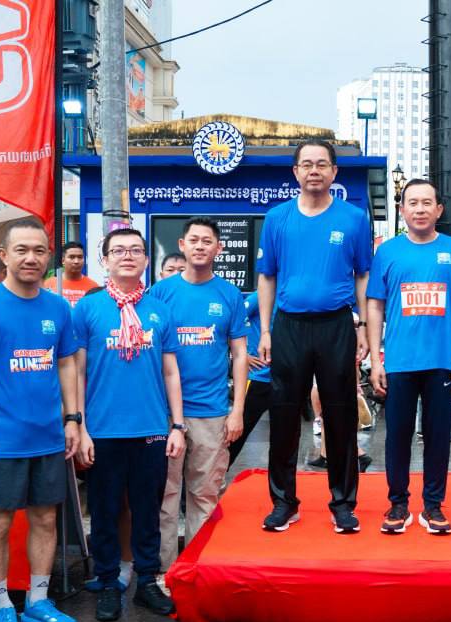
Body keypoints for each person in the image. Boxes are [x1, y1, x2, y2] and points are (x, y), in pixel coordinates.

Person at [0, 218, 82, 622]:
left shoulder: (58, 308)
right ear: (4, 256)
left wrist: (73, 419)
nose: (31, 258)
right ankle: (3, 608)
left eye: (39, 250)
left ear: (49, 257)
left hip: (47, 436)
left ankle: (38, 602)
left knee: (46, 518)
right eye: (22, 250)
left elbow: (65, 364)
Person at [256, 140, 372, 533]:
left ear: (334, 172)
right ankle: (283, 502)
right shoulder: (277, 218)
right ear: (296, 172)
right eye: (306, 164)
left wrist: (363, 327)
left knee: (341, 414)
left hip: (336, 325)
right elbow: (267, 276)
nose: (314, 171)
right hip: (289, 325)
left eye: (322, 164)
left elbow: (363, 275)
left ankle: (343, 503)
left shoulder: (353, 218)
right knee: (284, 414)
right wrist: (266, 330)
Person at [73, 227, 182, 621]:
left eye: (136, 250)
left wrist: (178, 426)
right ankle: (107, 582)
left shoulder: (159, 310)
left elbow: (171, 371)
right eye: (118, 250)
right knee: (103, 511)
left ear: (146, 260)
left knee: (147, 511)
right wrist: (79, 426)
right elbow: (76, 372)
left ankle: (147, 581)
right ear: (104, 260)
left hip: (151, 429)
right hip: (102, 431)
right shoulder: (88, 309)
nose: (128, 256)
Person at [366, 179, 451, 536]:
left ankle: (433, 505)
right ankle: (398, 503)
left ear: (439, 209)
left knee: (438, 436)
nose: (419, 209)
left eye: (426, 202)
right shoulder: (387, 252)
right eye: (412, 202)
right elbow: (375, 305)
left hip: (444, 361)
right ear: (402, 210)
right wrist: (376, 361)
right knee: (397, 436)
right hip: (399, 362)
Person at [148, 217, 247, 568]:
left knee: (204, 496)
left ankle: (196, 570)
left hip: (212, 411)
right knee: (164, 496)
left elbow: (239, 355)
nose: (200, 246)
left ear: (219, 248)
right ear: (182, 245)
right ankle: (163, 572)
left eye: (207, 241)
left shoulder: (229, 295)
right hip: (165, 414)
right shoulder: (161, 293)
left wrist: (237, 410)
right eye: (194, 240)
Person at [227, 292, 273, 465]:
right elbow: (231, 323)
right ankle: (216, 474)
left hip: (284, 377)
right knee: (237, 432)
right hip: (257, 377)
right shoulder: (258, 297)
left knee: (283, 435)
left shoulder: (288, 296)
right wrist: (243, 354)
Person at [44, 241, 100, 308]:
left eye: (80, 257)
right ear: (63, 260)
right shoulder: (49, 284)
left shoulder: (93, 287)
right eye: (72, 257)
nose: (76, 261)